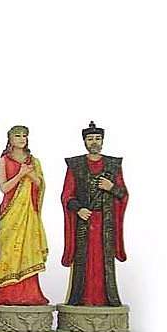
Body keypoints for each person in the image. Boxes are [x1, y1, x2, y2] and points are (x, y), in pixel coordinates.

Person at [61, 122, 129, 306]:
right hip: (84, 221)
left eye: (97, 138)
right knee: (83, 259)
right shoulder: (75, 165)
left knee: (103, 261)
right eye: (90, 139)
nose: (94, 142)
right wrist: (78, 209)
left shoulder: (113, 165)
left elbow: (123, 194)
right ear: (84, 141)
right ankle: (79, 299)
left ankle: (107, 300)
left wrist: (111, 187)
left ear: (102, 141)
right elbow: (67, 196)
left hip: (105, 223)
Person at [0, 126, 50, 305]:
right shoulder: (4, 161)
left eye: (25, 136)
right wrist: (20, 174)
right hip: (11, 211)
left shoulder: (34, 161)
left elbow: (40, 185)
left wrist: (30, 174)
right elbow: (4, 187)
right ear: (10, 139)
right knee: (9, 249)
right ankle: (6, 293)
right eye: (18, 136)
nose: (22, 139)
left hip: (29, 212)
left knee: (28, 248)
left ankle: (30, 293)